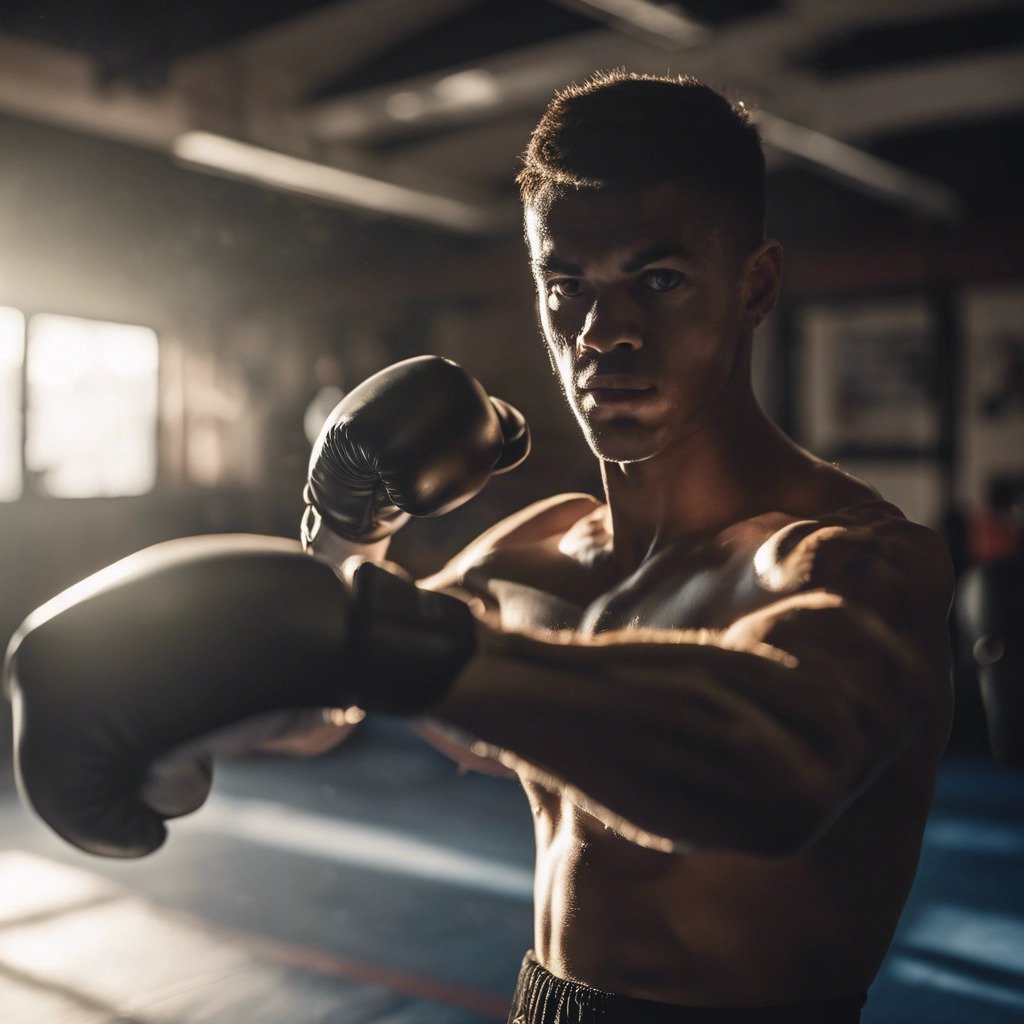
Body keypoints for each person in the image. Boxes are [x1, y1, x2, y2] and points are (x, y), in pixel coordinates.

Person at [7, 72, 953, 1023]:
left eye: (657, 280)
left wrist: (375, 637)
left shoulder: (855, 561)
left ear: (755, 285)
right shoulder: (537, 553)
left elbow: (778, 768)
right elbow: (326, 701)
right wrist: (344, 539)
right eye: (565, 286)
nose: (602, 332)